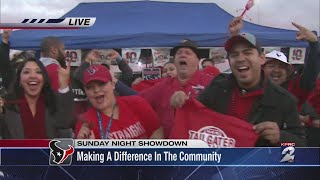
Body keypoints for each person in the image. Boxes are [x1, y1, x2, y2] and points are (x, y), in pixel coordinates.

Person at [172, 33, 306, 146]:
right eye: (234, 55)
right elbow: (197, 115)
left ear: (261, 58)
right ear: (230, 61)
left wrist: (281, 137)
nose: (240, 58)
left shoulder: (283, 99)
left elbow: (299, 148)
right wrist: (183, 101)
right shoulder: (218, 86)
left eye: (247, 53)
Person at [230, 17, 320, 110]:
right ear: (262, 68)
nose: (276, 70)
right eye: (271, 66)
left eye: (281, 67)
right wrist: (235, 35)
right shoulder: (251, 86)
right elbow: (239, 66)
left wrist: (314, 43)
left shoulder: (295, 89)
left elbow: (311, 73)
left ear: (287, 72)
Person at [140, 40, 216, 138]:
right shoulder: (163, 86)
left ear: (197, 60)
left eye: (188, 53)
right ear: (175, 60)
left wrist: (191, 102)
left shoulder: (211, 83)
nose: (182, 55)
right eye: (178, 53)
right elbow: (137, 101)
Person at [75, 64, 163, 139]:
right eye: (90, 87)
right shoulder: (85, 122)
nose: (96, 90)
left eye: (101, 84)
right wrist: (86, 148)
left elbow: (156, 131)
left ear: (113, 84)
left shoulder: (136, 103)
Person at [0, 57, 74, 139]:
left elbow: (65, 122)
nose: (33, 76)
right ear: (19, 80)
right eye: (26, 72)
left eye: (38, 72)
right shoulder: (6, 106)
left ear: (44, 79)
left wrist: (63, 85)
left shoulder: (53, 103)